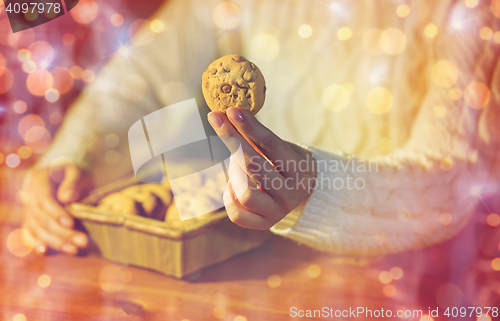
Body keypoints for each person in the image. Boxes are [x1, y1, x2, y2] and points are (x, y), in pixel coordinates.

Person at [22, 0, 500, 255]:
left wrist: (318, 186)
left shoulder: (465, 10)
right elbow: (139, 80)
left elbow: (452, 177)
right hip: (240, 256)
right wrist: (72, 158)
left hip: (393, 282)